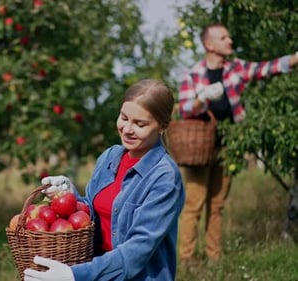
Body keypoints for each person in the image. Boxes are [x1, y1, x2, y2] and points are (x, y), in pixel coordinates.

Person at [23, 79, 185, 281]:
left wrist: (75, 275)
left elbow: (137, 250)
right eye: (124, 118)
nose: (127, 129)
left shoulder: (165, 178)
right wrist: (69, 195)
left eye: (140, 124)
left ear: (162, 126)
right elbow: (92, 213)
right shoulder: (110, 157)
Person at [177, 22, 298, 267]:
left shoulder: (237, 68)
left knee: (218, 204)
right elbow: (184, 109)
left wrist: (295, 58)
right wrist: (201, 98)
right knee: (194, 204)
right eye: (224, 37)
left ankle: (213, 257)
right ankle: (187, 259)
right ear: (209, 44)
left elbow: (267, 68)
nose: (230, 41)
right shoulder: (194, 75)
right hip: (199, 149)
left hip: (228, 146)